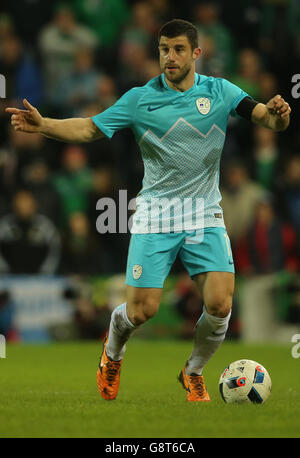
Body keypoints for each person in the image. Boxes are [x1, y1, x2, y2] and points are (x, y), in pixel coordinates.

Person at [6, 19, 291, 402]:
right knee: (142, 311)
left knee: (221, 303)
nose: (169, 57)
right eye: (162, 49)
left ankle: (193, 372)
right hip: (156, 215)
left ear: (196, 54)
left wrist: (279, 113)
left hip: (204, 213)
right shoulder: (140, 99)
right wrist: (45, 126)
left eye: (177, 49)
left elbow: (267, 119)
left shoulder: (220, 92)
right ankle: (113, 352)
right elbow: (90, 129)